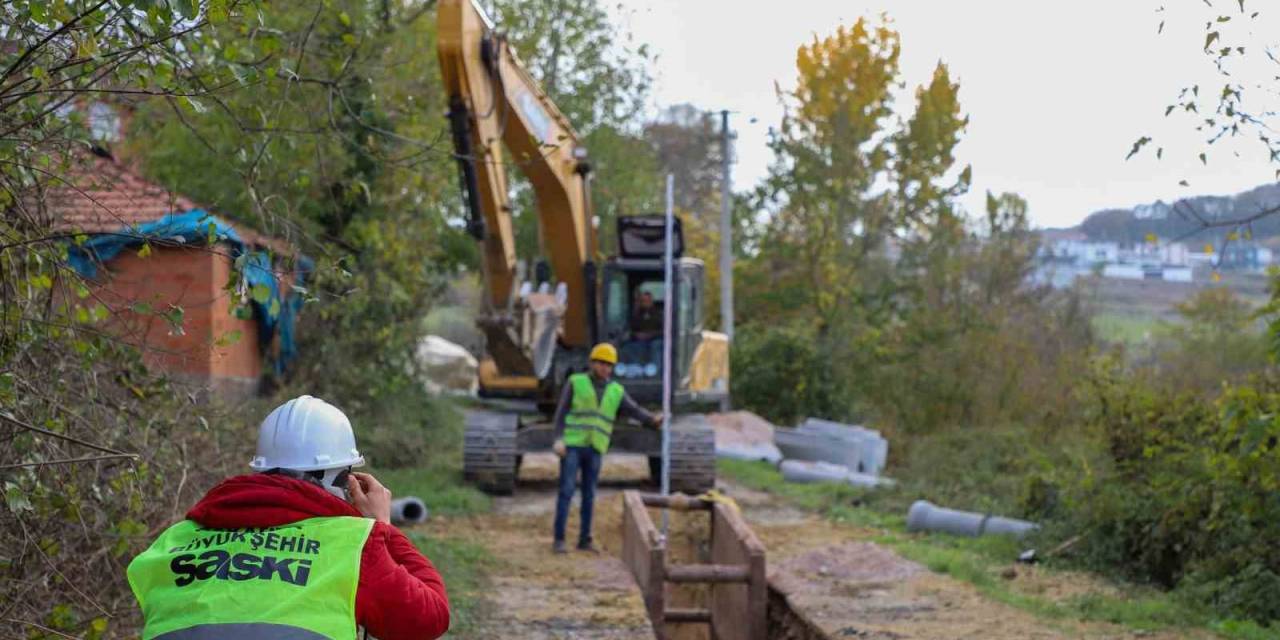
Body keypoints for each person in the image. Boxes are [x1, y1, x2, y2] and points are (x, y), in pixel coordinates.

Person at [126, 395, 450, 640]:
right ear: (337, 478)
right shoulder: (352, 546)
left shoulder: (176, 539)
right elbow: (429, 618)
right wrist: (381, 529)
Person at [551, 343, 663, 553]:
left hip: (595, 448)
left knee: (589, 494)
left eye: (609, 365)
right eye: (601, 363)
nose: (605, 368)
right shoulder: (576, 382)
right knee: (566, 491)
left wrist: (652, 420)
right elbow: (561, 413)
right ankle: (559, 539)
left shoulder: (616, 391)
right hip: (573, 445)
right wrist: (558, 439)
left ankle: (584, 539)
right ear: (592, 363)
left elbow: (634, 410)